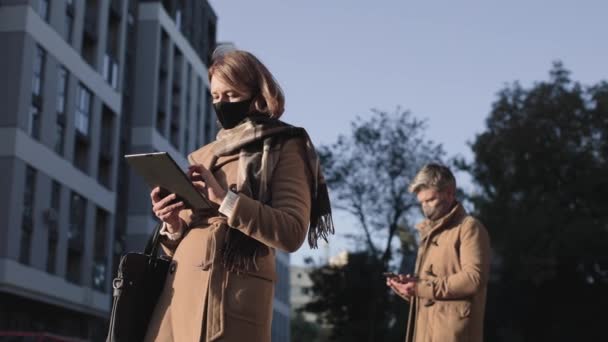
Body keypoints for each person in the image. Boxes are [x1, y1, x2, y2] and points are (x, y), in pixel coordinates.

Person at [144, 48, 334, 342]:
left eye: (231, 95)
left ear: (258, 95)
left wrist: (223, 199)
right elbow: (178, 243)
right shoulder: (202, 155)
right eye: (216, 97)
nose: (222, 105)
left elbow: (292, 232)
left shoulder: (286, 144)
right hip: (179, 296)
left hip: (231, 299)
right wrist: (171, 224)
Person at [386, 164, 491, 342]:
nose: (425, 208)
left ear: (449, 193)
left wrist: (420, 287)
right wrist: (409, 289)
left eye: (430, 200)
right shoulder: (428, 235)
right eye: (421, 203)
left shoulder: (469, 228)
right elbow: (432, 297)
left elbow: (473, 279)